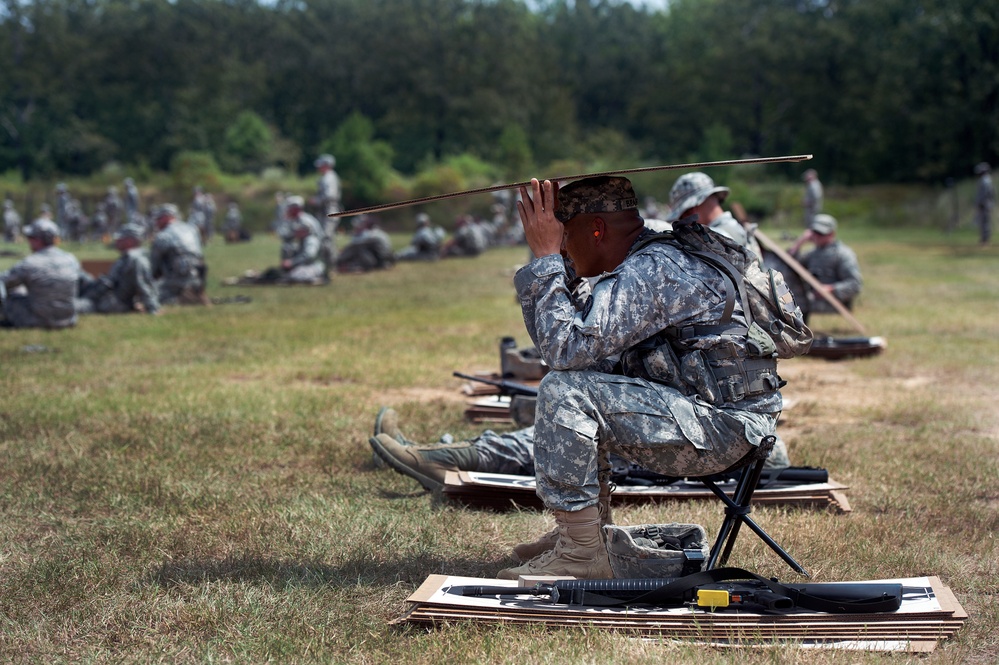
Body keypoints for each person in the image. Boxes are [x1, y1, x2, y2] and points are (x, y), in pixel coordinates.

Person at [371, 176, 795, 580]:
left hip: (724, 432)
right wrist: (555, 269)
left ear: (595, 229)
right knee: (577, 379)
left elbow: (563, 352)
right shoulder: (647, 259)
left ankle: (582, 552)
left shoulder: (655, 269)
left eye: (564, 239)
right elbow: (565, 349)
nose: (563, 251)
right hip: (717, 419)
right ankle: (582, 536)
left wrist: (545, 261)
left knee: (566, 392)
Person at [0, 218, 81, 329]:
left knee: (12, 293)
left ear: (38, 240)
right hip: (68, 320)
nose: (29, 241)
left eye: (30, 237)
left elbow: (3, 281)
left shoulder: (30, 263)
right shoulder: (71, 259)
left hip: (36, 321)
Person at [666, 172, 761, 258]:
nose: (684, 222)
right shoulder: (733, 228)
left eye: (682, 217)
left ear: (690, 211)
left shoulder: (718, 237)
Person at [787, 213, 862, 322]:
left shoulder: (843, 254)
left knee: (796, 302)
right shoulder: (812, 254)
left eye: (821, 233)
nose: (817, 237)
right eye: (815, 233)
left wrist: (830, 289)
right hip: (812, 298)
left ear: (832, 234)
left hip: (835, 301)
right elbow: (790, 265)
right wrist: (800, 242)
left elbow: (855, 284)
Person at [76, 223, 159, 315]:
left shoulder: (134, 259)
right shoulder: (132, 257)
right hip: (106, 297)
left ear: (129, 241)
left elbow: (143, 285)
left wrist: (152, 309)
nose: (117, 241)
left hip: (109, 303)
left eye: (120, 239)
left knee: (72, 306)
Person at [149, 203, 207, 305]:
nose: (156, 223)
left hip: (177, 279)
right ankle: (193, 293)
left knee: (150, 297)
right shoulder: (191, 229)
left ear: (166, 217)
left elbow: (153, 266)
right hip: (198, 278)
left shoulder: (163, 236)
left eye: (158, 219)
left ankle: (182, 299)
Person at [974, 162, 995, 245]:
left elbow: (986, 193)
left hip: (985, 204)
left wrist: (981, 202)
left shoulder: (986, 180)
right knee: (983, 222)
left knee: (985, 222)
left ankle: (985, 239)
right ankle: (984, 238)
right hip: (984, 204)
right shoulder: (984, 180)